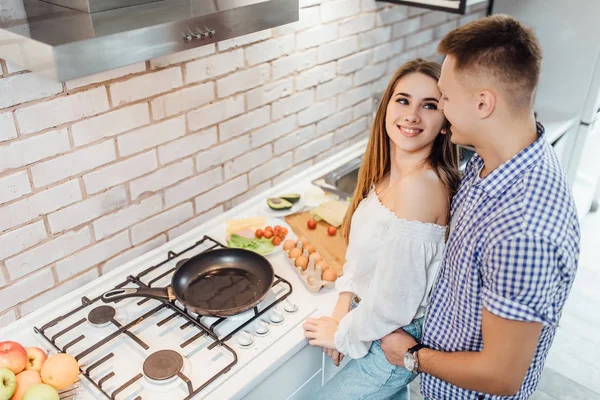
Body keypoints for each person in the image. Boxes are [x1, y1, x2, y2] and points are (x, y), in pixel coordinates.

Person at [380, 15, 580, 400]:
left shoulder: (524, 230)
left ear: (483, 103)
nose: (443, 111)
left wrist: (412, 356)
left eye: (446, 98)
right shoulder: (489, 161)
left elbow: (501, 375)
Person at [302, 58, 461, 400]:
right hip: (367, 321)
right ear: (387, 106)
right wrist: (342, 309)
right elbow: (361, 262)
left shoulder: (422, 187)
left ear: (446, 122)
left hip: (389, 337)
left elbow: (393, 305)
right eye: (403, 100)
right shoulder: (388, 175)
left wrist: (343, 335)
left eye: (429, 105)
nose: (412, 115)